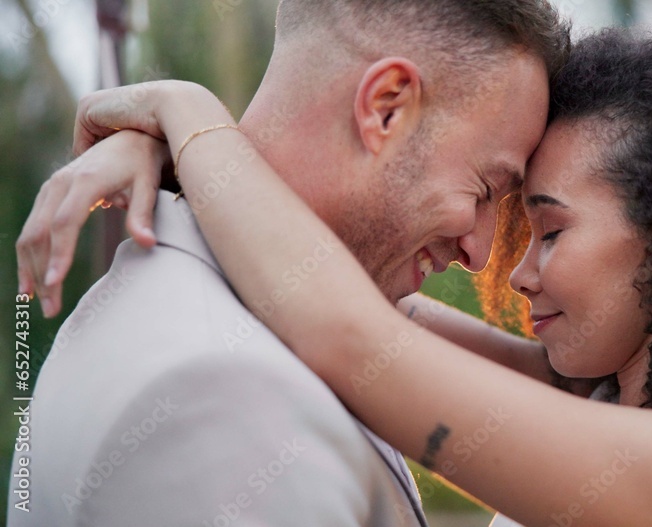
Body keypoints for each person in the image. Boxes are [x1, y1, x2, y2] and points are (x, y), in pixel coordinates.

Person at [20, 26, 652, 526]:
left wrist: (182, 112)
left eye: (547, 230)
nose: (513, 272)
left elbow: (352, 336)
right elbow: (348, 287)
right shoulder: (614, 401)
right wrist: (184, 168)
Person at [9, 1, 568, 525]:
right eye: (483, 189)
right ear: (387, 107)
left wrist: (182, 127)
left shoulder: (203, 306)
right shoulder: (228, 399)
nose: (479, 254)